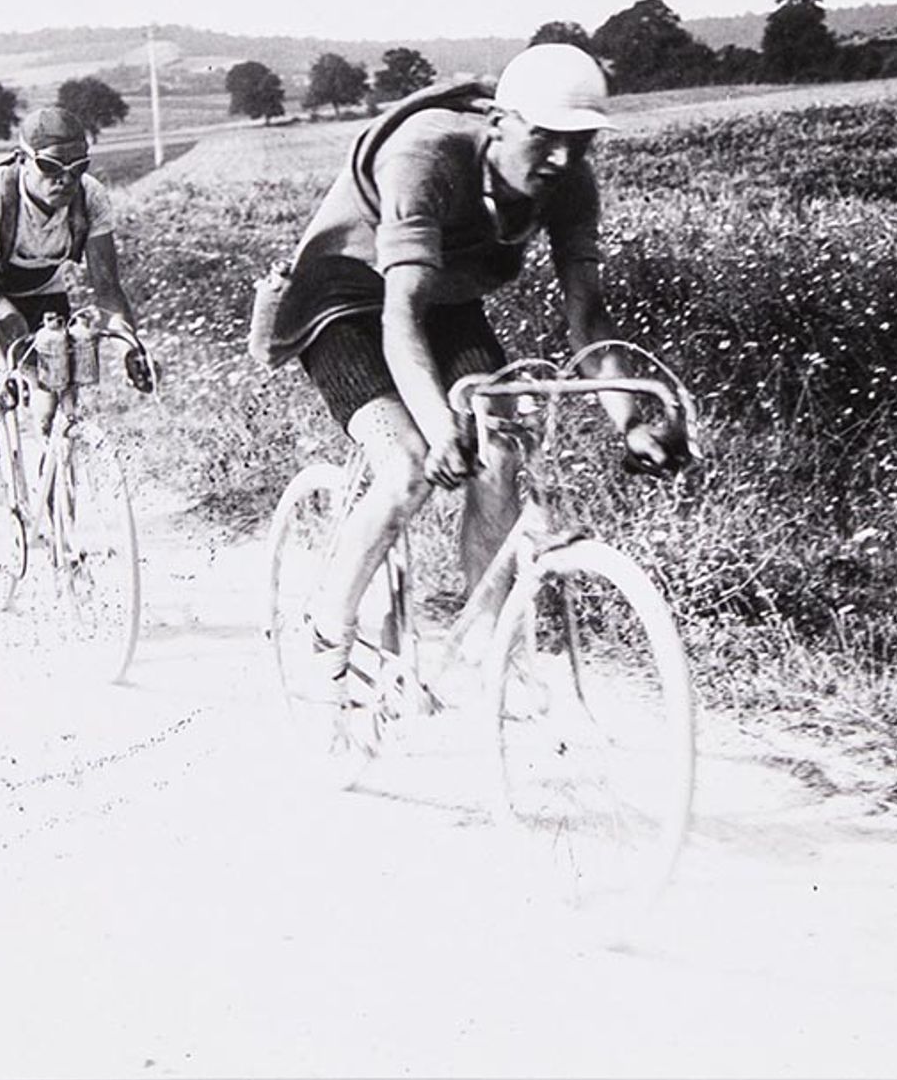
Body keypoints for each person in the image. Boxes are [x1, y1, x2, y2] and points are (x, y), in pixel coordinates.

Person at [252, 43, 687, 707]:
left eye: (582, 140)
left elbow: (588, 318)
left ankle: (490, 644)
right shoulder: (424, 156)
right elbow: (400, 319)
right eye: (546, 137)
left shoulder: (568, 179)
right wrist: (437, 427)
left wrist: (631, 419)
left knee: (504, 447)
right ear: (498, 123)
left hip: (445, 297)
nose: (563, 159)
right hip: (345, 297)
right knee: (407, 465)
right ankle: (326, 633)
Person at [0, 104, 153, 461]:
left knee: (59, 368)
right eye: (50, 166)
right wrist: (4, 371)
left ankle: (55, 473)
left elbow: (108, 290)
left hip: (37, 278)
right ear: (22, 159)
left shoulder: (90, 196)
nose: (65, 179)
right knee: (9, 331)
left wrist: (130, 348)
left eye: (78, 168)